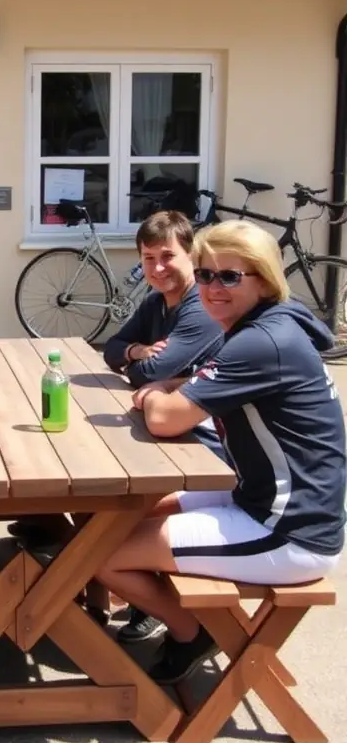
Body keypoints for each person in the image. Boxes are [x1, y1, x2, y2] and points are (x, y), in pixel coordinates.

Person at [96, 220, 346, 685]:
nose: (212, 288)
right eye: (207, 274)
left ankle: (194, 632)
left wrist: (154, 394)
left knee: (100, 553)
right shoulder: (266, 326)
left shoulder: (260, 342)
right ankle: (160, 616)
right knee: (124, 517)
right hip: (261, 498)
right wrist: (170, 385)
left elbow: (165, 418)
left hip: (289, 530)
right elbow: (196, 384)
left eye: (230, 276)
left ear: (265, 279)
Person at [102, 210, 226, 643]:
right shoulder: (156, 302)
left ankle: (156, 604)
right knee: (107, 511)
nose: (157, 268)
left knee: (121, 514)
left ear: (191, 254)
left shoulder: (204, 307)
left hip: (208, 442)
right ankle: (130, 593)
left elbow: (153, 369)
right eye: (148, 257)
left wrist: (152, 370)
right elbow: (112, 351)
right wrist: (138, 351)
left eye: (168, 256)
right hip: (175, 427)